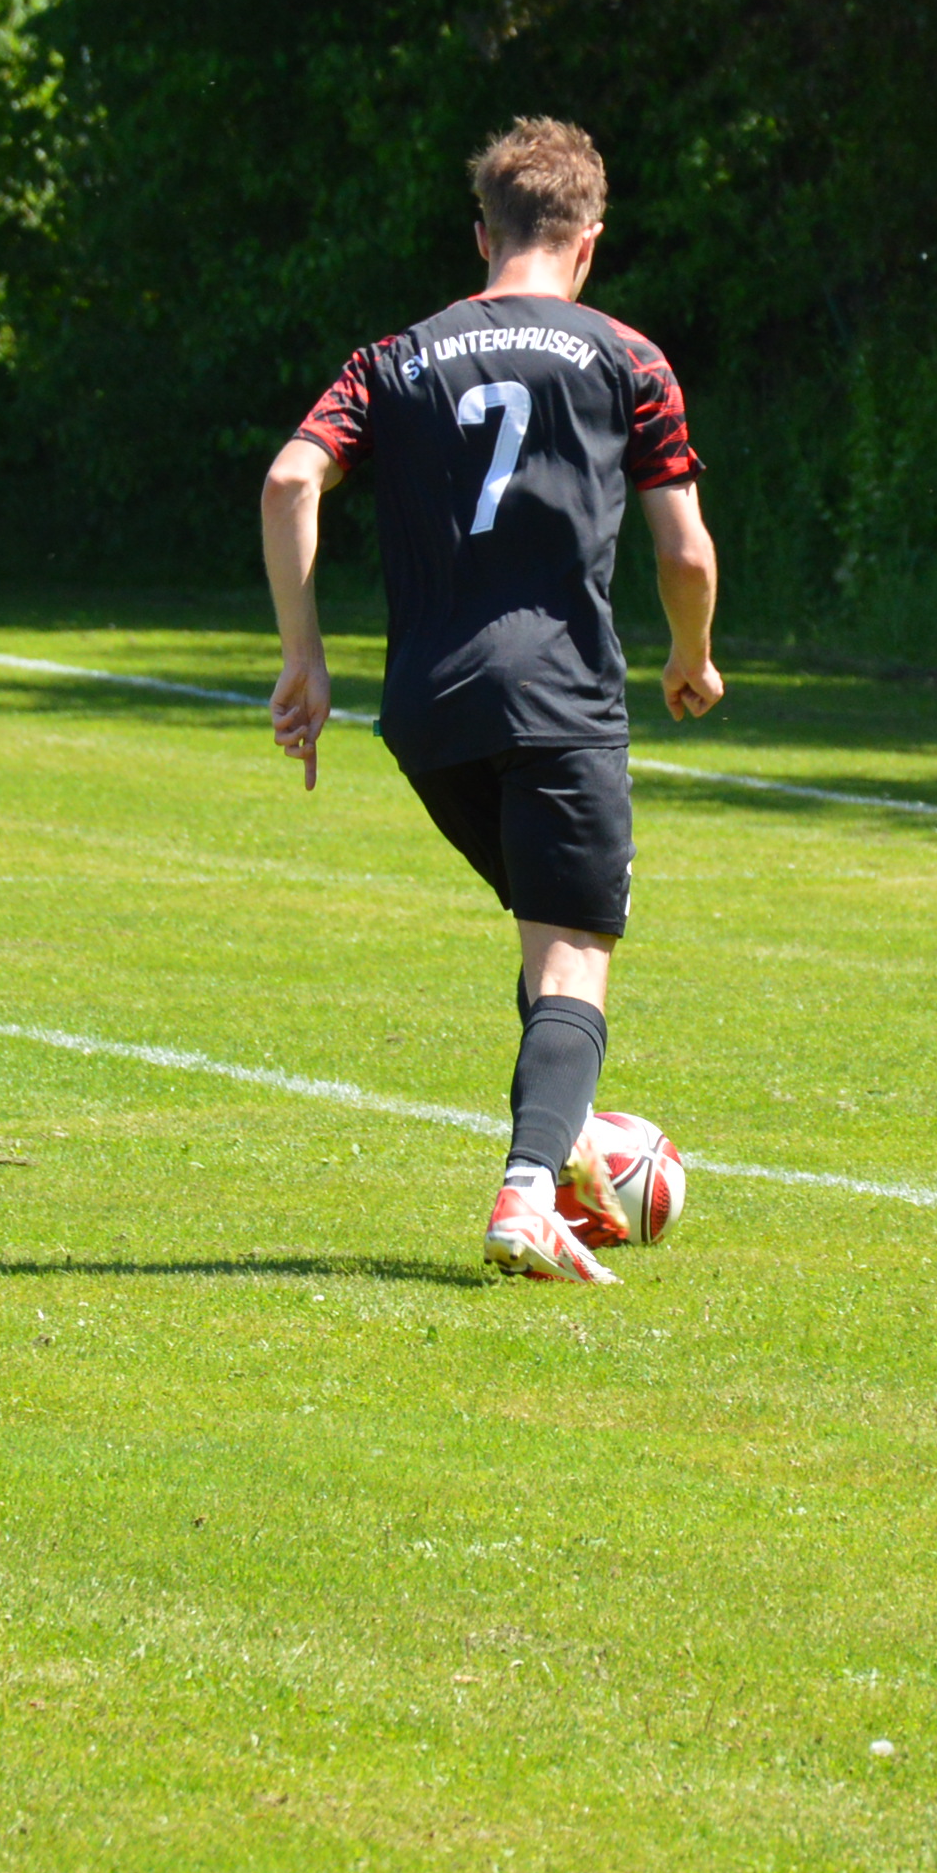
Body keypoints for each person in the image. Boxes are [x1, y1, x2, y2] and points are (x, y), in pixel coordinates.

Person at [258, 117, 721, 1284]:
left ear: (483, 234)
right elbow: (684, 549)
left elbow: (290, 479)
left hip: (427, 713)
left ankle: (562, 1154)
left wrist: (304, 656)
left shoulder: (395, 358)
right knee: (573, 960)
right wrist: (693, 654)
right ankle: (526, 1190)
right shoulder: (628, 358)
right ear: (590, 240)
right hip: (559, 696)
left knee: (546, 934)